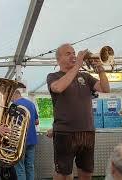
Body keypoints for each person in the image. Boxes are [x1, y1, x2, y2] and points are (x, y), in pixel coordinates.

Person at [46, 43, 110, 180]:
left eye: (74, 53)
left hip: (87, 131)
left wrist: (101, 70)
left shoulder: (85, 77)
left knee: (87, 172)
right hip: (65, 132)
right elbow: (58, 88)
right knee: (63, 173)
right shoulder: (53, 76)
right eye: (68, 53)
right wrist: (77, 65)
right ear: (58, 59)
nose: (73, 56)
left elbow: (105, 88)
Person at [12, 89, 39, 180]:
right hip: (32, 140)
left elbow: (11, 124)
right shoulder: (31, 103)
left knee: (20, 168)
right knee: (30, 166)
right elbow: (36, 121)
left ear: (13, 95)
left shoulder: (14, 105)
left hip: (19, 142)